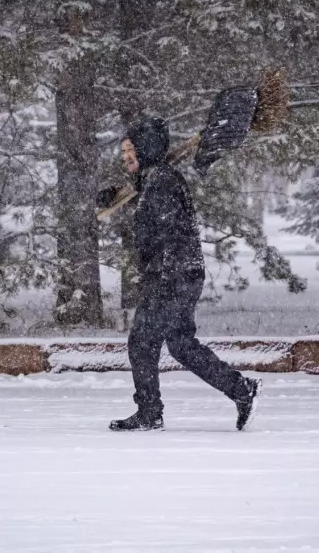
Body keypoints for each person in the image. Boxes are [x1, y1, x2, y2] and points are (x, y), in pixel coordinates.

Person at [102, 117, 262, 431]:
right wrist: (117, 194)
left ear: (145, 148)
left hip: (171, 276)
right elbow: (147, 209)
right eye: (124, 151)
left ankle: (150, 413)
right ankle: (241, 390)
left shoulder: (160, 181)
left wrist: (162, 278)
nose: (125, 156)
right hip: (182, 274)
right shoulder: (155, 178)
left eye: (130, 149)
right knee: (180, 344)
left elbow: (168, 232)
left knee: (142, 342)